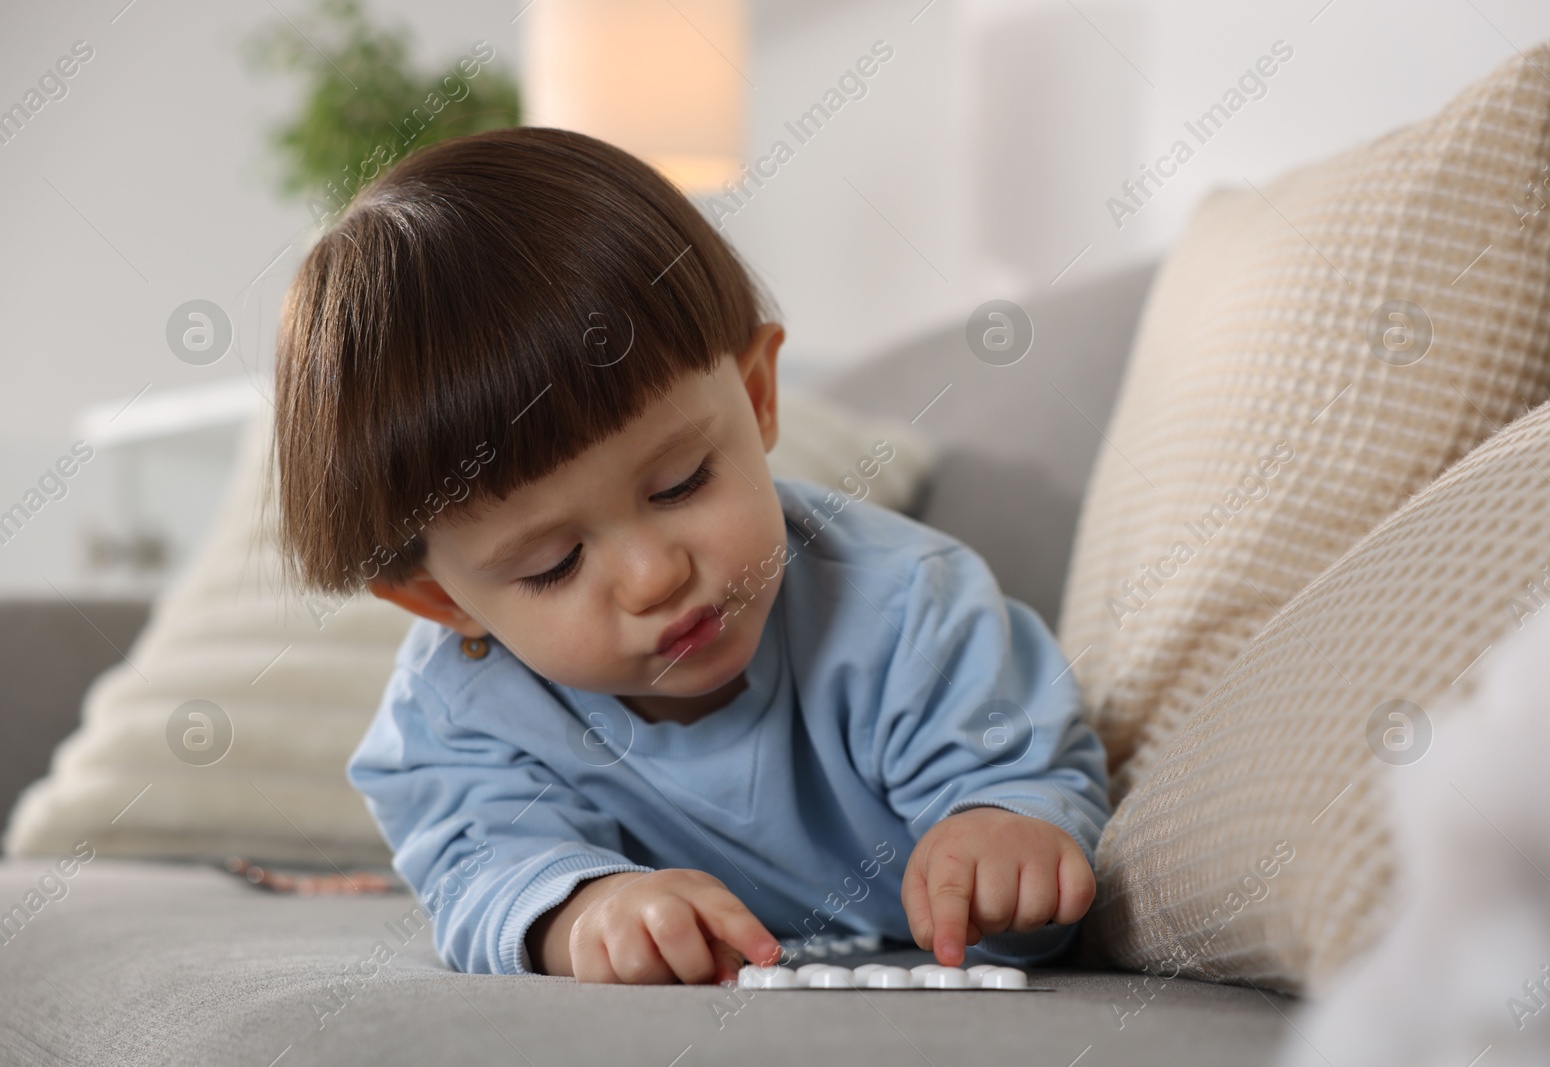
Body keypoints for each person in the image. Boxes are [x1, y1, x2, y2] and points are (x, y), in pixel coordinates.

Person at [272, 126, 1109, 982]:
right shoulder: (453, 713)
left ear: (756, 396)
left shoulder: (906, 608)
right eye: (554, 563)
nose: (655, 575)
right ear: (443, 603)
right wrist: (584, 910)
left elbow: (1028, 785)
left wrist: (1004, 834)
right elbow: (481, 872)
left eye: (679, 483)